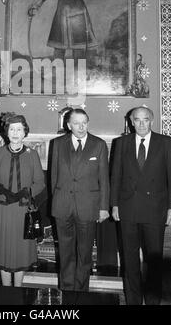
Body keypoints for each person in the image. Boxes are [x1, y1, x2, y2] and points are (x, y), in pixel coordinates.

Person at [111, 106, 171, 305]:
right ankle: (133, 300)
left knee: (154, 262)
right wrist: (114, 205)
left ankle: (152, 301)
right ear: (131, 122)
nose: (141, 124)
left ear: (152, 121)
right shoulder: (121, 143)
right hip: (128, 209)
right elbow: (115, 177)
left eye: (146, 119)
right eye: (137, 120)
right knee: (130, 261)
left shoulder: (165, 142)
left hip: (155, 210)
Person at [50, 108, 109, 291]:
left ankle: (82, 293)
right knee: (66, 254)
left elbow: (104, 179)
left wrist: (103, 207)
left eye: (84, 122)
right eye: (76, 123)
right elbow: (53, 177)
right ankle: (67, 291)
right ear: (68, 125)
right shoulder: (58, 143)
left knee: (84, 255)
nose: (81, 126)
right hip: (62, 207)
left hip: (88, 208)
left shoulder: (98, 144)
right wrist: (56, 201)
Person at [0, 114, 45, 287]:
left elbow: (40, 182)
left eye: (19, 129)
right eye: (12, 129)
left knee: (21, 250)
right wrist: (1, 189)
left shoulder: (32, 155)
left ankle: (17, 289)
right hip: (1, 209)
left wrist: (27, 191)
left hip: (23, 210)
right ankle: (5, 290)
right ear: (6, 132)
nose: (15, 133)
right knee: (1, 249)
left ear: (25, 132)